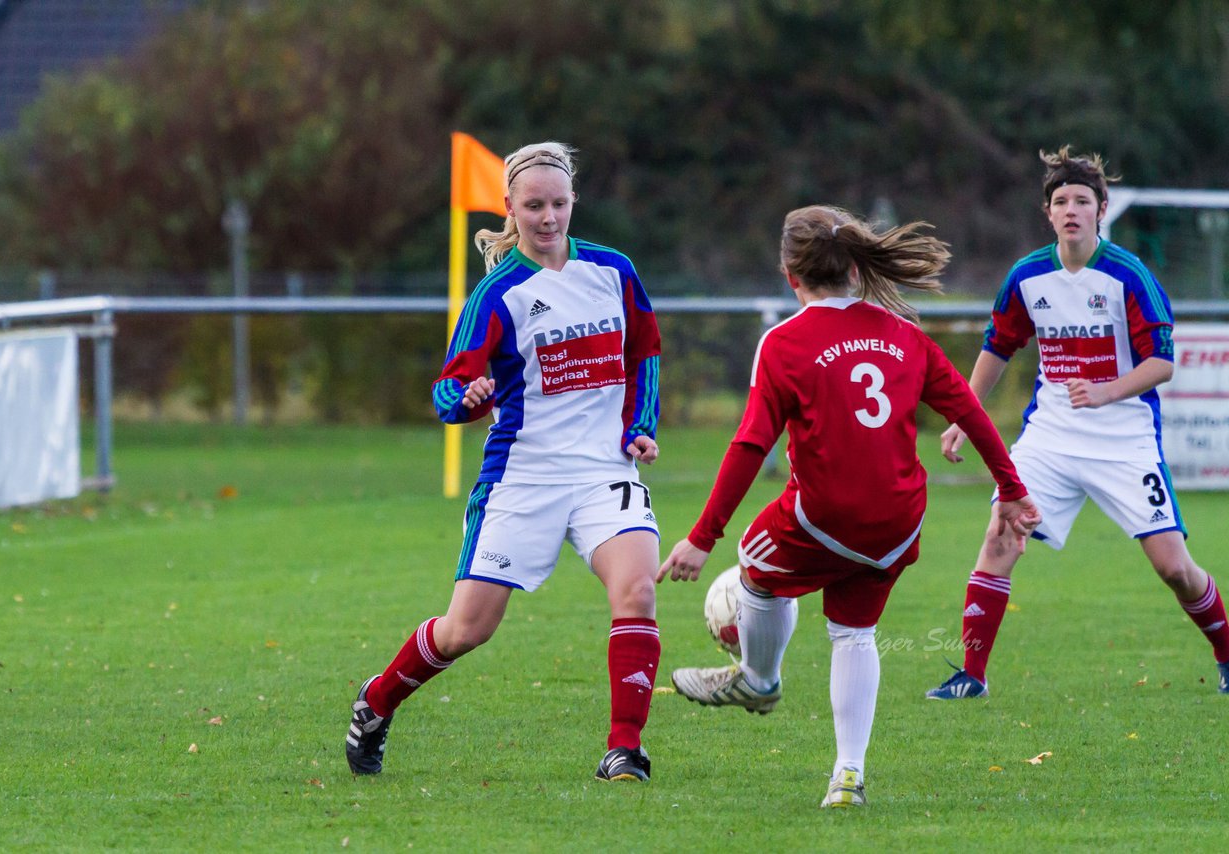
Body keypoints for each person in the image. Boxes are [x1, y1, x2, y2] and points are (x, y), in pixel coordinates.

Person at [658, 205, 1041, 808]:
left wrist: (702, 536)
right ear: (856, 270)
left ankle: (758, 680)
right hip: (899, 519)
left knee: (753, 566)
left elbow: (751, 444)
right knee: (854, 633)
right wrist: (1012, 488)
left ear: (791, 274)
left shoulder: (784, 342)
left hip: (825, 515)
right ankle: (848, 776)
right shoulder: (905, 335)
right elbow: (968, 409)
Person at [345, 141, 664, 782]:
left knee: (637, 591)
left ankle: (623, 750)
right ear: (511, 208)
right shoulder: (498, 294)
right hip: (522, 480)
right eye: (534, 205)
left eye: (559, 204)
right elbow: (447, 390)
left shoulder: (613, 270)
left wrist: (640, 426)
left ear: (574, 202)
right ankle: (376, 703)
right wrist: (466, 399)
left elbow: (645, 354)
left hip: (604, 471)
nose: (548, 218)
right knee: (466, 630)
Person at [925, 146, 1229, 700]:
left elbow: (1162, 361)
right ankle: (972, 676)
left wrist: (1108, 390)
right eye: (1060, 200)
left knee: (1174, 568)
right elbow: (1000, 345)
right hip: (1051, 437)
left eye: (1081, 201)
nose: (1071, 209)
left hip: (1124, 440)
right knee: (1000, 534)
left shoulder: (1128, 275)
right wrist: (966, 417)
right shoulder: (1027, 276)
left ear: (1101, 210)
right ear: (1048, 213)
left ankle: (1226, 651)